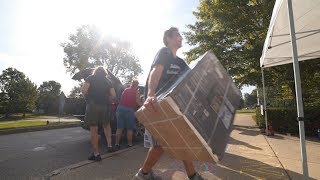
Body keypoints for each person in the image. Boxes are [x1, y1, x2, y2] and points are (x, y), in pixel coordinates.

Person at [133, 27, 205, 180]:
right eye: (178, 35)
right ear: (169, 39)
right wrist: (151, 94)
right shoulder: (164, 52)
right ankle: (143, 174)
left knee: (179, 140)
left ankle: (192, 175)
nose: (181, 38)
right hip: (156, 104)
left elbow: (190, 80)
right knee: (161, 145)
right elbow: (156, 71)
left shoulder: (180, 62)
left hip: (173, 106)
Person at [81, 66, 116, 161]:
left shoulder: (90, 78)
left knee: (94, 129)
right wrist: (108, 99)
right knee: (106, 125)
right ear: (104, 73)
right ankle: (110, 146)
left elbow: (84, 90)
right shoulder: (108, 81)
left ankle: (96, 154)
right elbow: (113, 95)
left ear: (95, 71)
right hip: (104, 106)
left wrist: (87, 98)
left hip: (93, 105)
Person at [114, 79, 143, 150]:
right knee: (129, 129)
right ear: (137, 85)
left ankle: (117, 144)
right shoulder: (137, 92)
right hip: (129, 110)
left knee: (119, 128)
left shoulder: (126, 90)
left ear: (131, 84)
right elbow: (138, 102)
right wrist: (143, 105)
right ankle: (129, 144)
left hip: (120, 108)